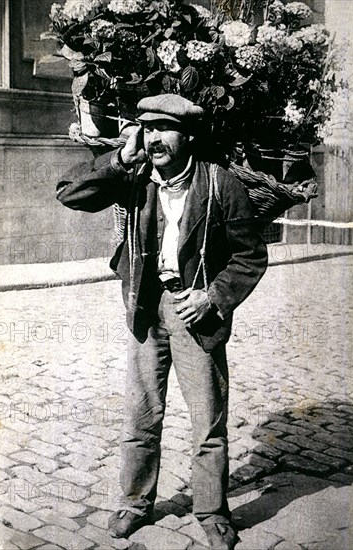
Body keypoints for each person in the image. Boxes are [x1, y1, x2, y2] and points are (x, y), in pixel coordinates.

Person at [57, 94, 268, 549]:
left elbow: (251, 255)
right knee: (141, 414)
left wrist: (212, 297)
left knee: (207, 420)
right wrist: (117, 159)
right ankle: (134, 503)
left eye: (164, 129)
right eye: (147, 128)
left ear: (188, 136)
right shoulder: (134, 179)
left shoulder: (220, 184)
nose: (154, 138)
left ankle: (212, 511)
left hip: (195, 313)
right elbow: (69, 193)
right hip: (145, 310)